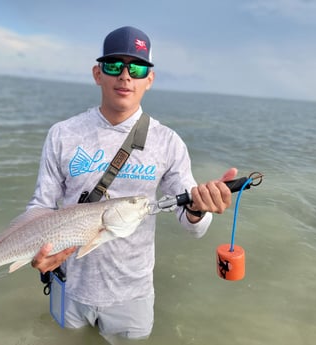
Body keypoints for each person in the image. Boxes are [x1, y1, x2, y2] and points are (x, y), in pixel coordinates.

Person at [27, 26, 237, 342]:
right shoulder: (62, 134)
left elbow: (194, 225)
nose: (125, 76)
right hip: (70, 283)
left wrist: (197, 208)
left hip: (132, 294)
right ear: (98, 74)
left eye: (136, 68)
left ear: (149, 79)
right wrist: (35, 250)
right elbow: (41, 205)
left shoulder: (168, 143)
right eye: (114, 66)